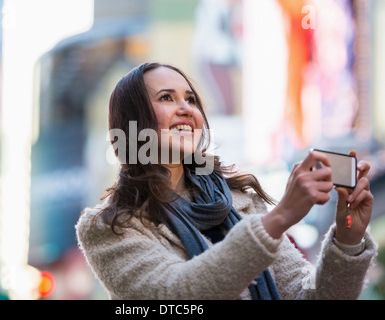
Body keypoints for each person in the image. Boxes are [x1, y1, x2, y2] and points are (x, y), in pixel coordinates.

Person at [76, 62, 377, 300]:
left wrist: (348, 237)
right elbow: (177, 295)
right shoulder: (110, 227)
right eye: (166, 97)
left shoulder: (240, 199)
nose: (186, 109)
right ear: (133, 122)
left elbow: (308, 295)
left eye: (191, 99)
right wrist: (280, 217)